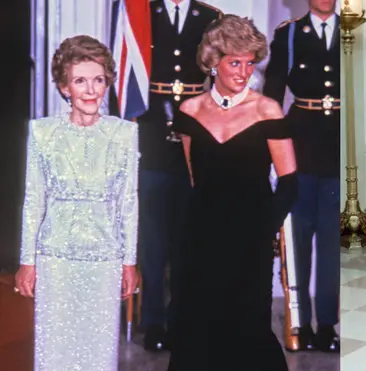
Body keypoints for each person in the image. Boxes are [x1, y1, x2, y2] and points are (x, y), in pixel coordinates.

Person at [165, 15, 296, 371]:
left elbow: (288, 184)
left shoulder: (267, 110)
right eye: (234, 62)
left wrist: (262, 228)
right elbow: (195, 181)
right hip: (200, 239)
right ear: (213, 63)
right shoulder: (189, 111)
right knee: (197, 323)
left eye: (250, 62)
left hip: (249, 238)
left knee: (248, 325)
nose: (244, 72)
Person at [13, 35, 139, 371]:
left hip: (105, 258)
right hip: (55, 257)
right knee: (55, 351)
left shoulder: (124, 133)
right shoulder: (42, 133)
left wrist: (129, 261)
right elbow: (33, 199)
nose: (91, 90)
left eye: (98, 80)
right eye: (80, 81)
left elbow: (128, 202)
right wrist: (28, 261)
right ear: (64, 86)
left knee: (98, 352)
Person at [133, 0, 221, 351]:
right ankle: (153, 323)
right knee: (153, 243)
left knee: (187, 240)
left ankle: (182, 320)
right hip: (152, 138)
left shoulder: (209, 17)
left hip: (193, 140)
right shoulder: (143, 12)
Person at [262, 0, 340, 352]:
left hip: (337, 150)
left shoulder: (349, 31)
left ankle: (327, 325)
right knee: (298, 241)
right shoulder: (290, 34)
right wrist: (267, 154)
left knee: (331, 246)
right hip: (300, 150)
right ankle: (299, 321)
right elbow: (272, 99)